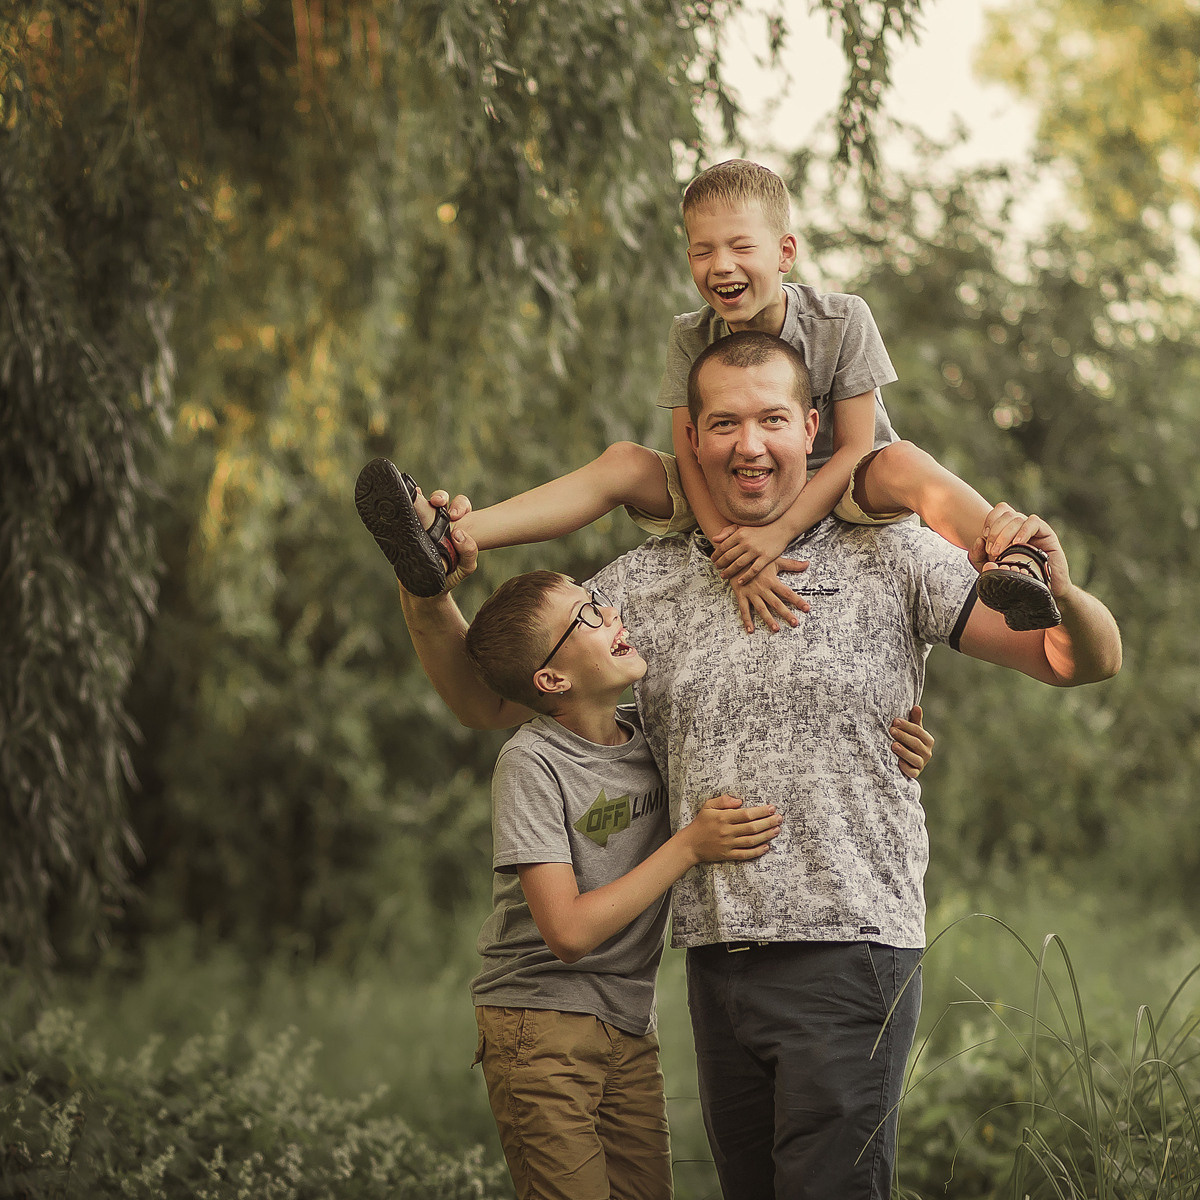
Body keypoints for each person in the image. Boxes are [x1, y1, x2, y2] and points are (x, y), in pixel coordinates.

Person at [368, 330, 1121, 1200]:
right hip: (716, 961)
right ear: (692, 440)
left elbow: (1077, 661)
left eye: (772, 420)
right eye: (724, 423)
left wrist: (1064, 592)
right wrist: (426, 590)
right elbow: (493, 697)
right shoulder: (642, 586)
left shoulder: (893, 552)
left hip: (851, 948)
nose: (749, 445)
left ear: (811, 428)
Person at [354, 159, 1060, 634]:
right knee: (625, 461)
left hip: (839, 483)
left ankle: (1011, 557)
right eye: (701, 250)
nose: (720, 265)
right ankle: (453, 536)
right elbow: (688, 452)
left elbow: (854, 447)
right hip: (730, 482)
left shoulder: (843, 318)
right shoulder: (690, 333)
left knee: (903, 460)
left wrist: (776, 536)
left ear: (785, 252)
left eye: (740, 247)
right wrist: (729, 548)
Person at [460, 568, 786, 1199]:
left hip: (629, 1022)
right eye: (585, 617)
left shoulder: (654, 738)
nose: (610, 614)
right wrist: (687, 845)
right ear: (551, 680)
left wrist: (895, 744)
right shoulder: (531, 763)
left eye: (599, 602)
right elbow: (567, 932)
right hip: (540, 1020)